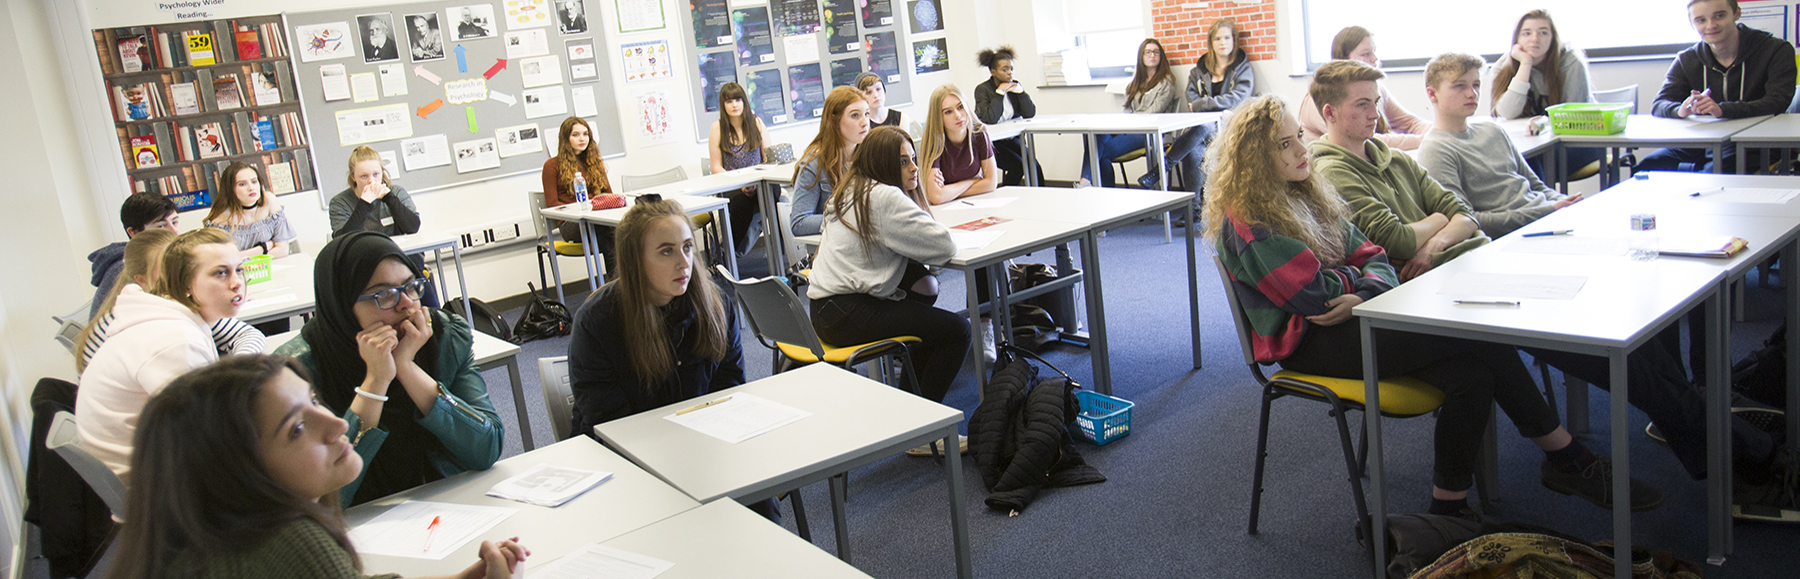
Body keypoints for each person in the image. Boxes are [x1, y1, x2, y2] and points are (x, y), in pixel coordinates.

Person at [1208, 94, 1660, 518]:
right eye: (1284, 145)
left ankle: (1449, 506)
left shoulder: (1306, 191)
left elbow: (1374, 257)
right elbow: (1313, 295)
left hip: (1355, 315)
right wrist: (1355, 280)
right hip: (1309, 339)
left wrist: (1361, 288)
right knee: (1476, 336)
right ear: (1254, 161)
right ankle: (1566, 458)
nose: (1299, 150)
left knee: (1473, 373)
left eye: (1298, 138)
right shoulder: (1247, 218)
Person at [107, 355, 530, 579]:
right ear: (235, 469)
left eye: (313, 400)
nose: (333, 423)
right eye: (295, 429)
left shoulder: (205, 539)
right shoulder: (281, 542)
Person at [274, 231, 503, 506]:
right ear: (343, 305)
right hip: (353, 529)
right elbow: (324, 499)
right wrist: (376, 381)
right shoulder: (299, 371)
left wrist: (406, 366)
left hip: (447, 507)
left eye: (410, 286)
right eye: (384, 295)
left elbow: (487, 449)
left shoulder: (445, 335)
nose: (407, 303)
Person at [808, 127, 968, 422]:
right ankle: (922, 425)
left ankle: (909, 407)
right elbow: (945, 245)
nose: (914, 168)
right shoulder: (883, 197)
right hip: (849, 312)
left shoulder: (852, 186)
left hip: (823, 311)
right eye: (904, 162)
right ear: (883, 163)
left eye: (913, 159)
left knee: (923, 290)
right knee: (957, 331)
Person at [75, 228, 246, 484]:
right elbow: (205, 438)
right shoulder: (173, 339)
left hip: (154, 467)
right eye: (220, 273)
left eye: (239, 270)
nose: (236, 283)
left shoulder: (168, 318)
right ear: (185, 283)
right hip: (157, 489)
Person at [1308, 60, 1486, 282]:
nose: (1375, 115)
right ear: (1330, 113)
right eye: (1363, 105)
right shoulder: (1331, 171)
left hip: (1476, 254)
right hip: (1437, 278)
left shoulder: (1398, 159)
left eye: (1376, 102)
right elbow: (1397, 242)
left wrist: (1434, 245)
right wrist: (1441, 218)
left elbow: (1465, 215)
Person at [1418, 52, 1582, 239]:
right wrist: (1549, 210)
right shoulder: (1436, 149)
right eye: (1460, 86)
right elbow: (1467, 220)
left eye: (1476, 85)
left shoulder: (1493, 130)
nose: (1472, 94)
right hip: (1517, 234)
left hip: (1546, 219)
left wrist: (1565, 203)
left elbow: (1536, 186)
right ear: (1432, 94)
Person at [76, 230, 263, 374]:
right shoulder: (164, 329)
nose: (237, 283)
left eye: (239, 270)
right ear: (141, 280)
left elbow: (248, 335)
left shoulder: (165, 307)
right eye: (168, 268)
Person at [1643, 0, 1797, 172]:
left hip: (1756, 142)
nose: (1711, 25)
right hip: (1703, 141)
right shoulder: (1687, 59)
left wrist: (1722, 110)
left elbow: (1777, 101)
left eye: (1719, 16)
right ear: (1692, 23)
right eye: (1701, 20)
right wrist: (1682, 109)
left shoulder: (1776, 50)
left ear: (1736, 13)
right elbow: (1660, 104)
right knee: (1649, 166)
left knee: (1715, 172)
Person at [1487, 10, 1604, 181]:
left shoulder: (1571, 63)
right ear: (1516, 39)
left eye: (1543, 33)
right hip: (1532, 145)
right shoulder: (1504, 66)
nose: (1534, 39)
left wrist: (1543, 123)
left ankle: (1547, 206)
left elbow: (1576, 116)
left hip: (1576, 145)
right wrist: (1525, 65)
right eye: (1527, 33)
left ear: (1553, 38)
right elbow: (1505, 113)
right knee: (1507, 158)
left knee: (1529, 161)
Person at [1152, 17, 1255, 193]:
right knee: (1192, 153)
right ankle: (1194, 210)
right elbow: (1190, 97)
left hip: (1229, 126)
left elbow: (1237, 97)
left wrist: (1203, 104)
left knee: (1205, 124)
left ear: (1234, 40)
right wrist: (1205, 107)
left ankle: (1165, 165)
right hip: (1201, 131)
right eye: (1217, 38)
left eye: (1227, 38)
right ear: (1211, 42)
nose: (1222, 42)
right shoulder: (1198, 70)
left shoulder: (1243, 68)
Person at [1298, 27, 1432, 151]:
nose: (1375, 59)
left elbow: (1409, 122)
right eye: (1366, 54)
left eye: (1374, 52)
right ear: (1344, 59)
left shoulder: (1375, 89)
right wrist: (1422, 140)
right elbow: (1366, 139)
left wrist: (1436, 132)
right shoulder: (1318, 98)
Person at [1078, 38, 1180, 188]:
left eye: (1156, 52)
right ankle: (1086, 183)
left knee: (1101, 152)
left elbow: (1154, 112)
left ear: (1161, 57)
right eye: (1148, 52)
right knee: (1094, 136)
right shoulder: (1135, 83)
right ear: (1141, 56)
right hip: (1130, 128)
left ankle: (1100, 191)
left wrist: (1133, 121)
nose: (1152, 55)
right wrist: (1125, 123)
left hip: (1149, 132)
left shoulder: (1166, 82)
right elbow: (1127, 109)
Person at [790, 86, 871, 236]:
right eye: (855, 116)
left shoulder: (872, 156)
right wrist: (848, 219)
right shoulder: (814, 165)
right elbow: (799, 223)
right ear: (834, 121)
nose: (865, 122)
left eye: (866, 114)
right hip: (835, 250)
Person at [541, 116, 618, 272]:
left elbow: (608, 195)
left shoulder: (594, 162)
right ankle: (617, 286)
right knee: (610, 234)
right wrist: (584, 208)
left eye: (585, 134)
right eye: (575, 135)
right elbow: (552, 204)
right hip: (570, 223)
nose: (582, 139)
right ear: (565, 138)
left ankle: (618, 285)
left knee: (620, 232)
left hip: (596, 219)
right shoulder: (551, 165)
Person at [89, 191, 179, 317]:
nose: (174, 231)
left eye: (174, 222)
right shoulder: (126, 267)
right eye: (161, 226)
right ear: (134, 232)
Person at [708, 82, 770, 252]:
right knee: (741, 205)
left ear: (744, 101)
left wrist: (754, 182)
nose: (734, 105)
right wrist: (741, 184)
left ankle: (786, 255)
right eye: (729, 101)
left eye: (738, 100)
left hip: (759, 183)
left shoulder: (756, 123)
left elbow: (768, 159)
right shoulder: (717, 128)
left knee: (775, 196)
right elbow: (716, 167)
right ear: (723, 105)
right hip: (733, 185)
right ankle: (729, 253)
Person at [920, 84, 999, 205]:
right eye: (948, 112)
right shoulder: (935, 140)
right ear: (938, 117)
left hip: (975, 202)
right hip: (945, 208)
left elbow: (991, 183)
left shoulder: (979, 132)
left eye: (960, 107)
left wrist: (950, 192)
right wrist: (973, 181)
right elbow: (936, 196)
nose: (957, 115)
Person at [972, 45, 1040, 186]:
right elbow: (989, 119)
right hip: (993, 143)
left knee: (1034, 165)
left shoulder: (1014, 86)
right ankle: (1007, 193)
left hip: (1011, 138)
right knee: (1019, 165)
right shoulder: (982, 90)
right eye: (1005, 69)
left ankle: (1044, 195)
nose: (1010, 73)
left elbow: (1030, 113)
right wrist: (999, 93)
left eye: (1011, 69)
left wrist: (1021, 92)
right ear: (993, 72)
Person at [205, 162, 297, 259]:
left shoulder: (269, 200)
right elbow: (223, 259)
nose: (251, 188)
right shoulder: (222, 215)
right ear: (230, 189)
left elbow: (282, 250)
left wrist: (247, 256)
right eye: (242, 184)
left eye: (254, 181)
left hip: (273, 267)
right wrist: (263, 248)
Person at [331, 145, 421, 238]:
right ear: (353, 177)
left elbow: (413, 228)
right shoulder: (340, 202)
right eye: (364, 176)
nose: (371, 181)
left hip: (397, 250)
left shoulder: (396, 192)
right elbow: (345, 240)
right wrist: (365, 203)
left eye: (376, 174)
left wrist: (389, 198)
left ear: (382, 172)